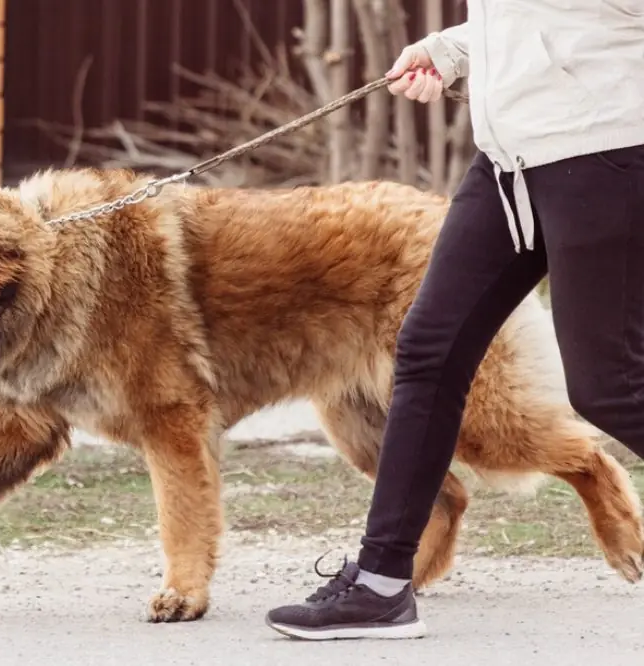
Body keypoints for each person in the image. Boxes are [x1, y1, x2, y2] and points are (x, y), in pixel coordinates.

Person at [264, 1, 644, 641]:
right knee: (427, 353)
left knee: (610, 386)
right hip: (506, 162)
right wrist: (451, 51)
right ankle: (381, 585)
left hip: (600, 152)